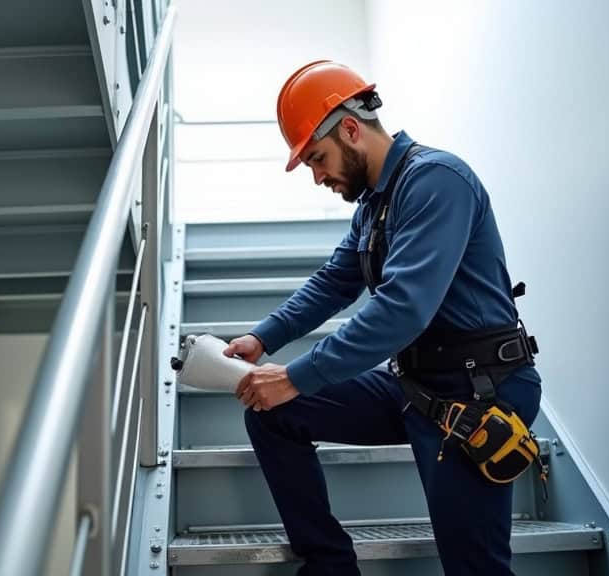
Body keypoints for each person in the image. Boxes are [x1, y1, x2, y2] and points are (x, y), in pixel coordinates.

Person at [224, 60, 543, 576]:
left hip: (477, 392)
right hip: (415, 385)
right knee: (274, 413)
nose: (317, 176)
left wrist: (296, 375)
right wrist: (264, 338)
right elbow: (335, 281)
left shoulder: (437, 180)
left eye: (317, 159)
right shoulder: (374, 206)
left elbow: (403, 308)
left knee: (475, 568)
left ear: (351, 128)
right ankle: (330, 566)